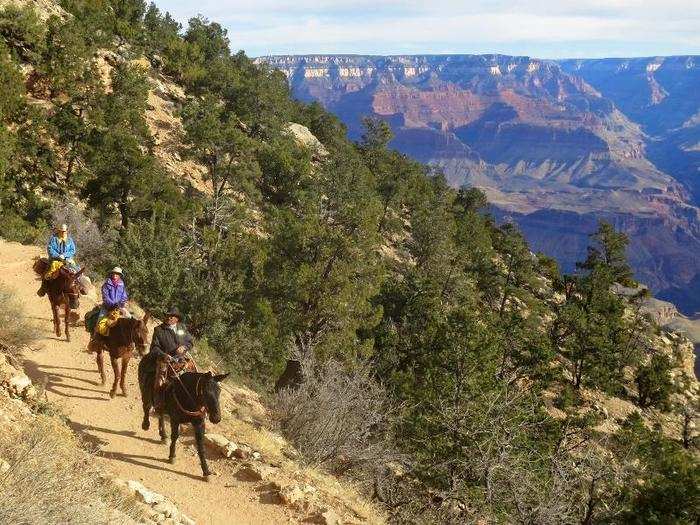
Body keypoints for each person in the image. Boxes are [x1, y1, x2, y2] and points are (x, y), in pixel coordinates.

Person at [144, 306, 194, 407]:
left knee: (194, 375)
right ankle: (157, 402)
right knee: (160, 380)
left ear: (177, 318)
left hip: (181, 358)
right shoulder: (158, 330)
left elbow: (190, 342)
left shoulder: (182, 328)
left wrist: (184, 347)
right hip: (164, 359)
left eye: (172, 316)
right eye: (167, 315)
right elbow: (154, 348)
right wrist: (164, 355)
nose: (169, 317)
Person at [37, 223, 79, 297]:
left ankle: (78, 288)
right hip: (55, 259)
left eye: (64, 231)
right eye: (62, 231)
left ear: (67, 231)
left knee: (75, 270)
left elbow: (72, 250)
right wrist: (58, 256)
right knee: (48, 273)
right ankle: (43, 288)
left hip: (67, 259)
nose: (63, 232)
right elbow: (50, 249)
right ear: (59, 231)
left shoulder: (69, 240)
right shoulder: (54, 239)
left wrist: (65, 255)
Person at [94, 267, 131, 337]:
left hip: (119, 307)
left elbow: (124, 296)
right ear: (111, 274)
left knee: (129, 318)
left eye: (117, 274)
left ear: (120, 275)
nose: (115, 275)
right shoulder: (106, 284)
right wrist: (113, 304)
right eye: (114, 273)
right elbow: (105, 297)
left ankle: (129, 340)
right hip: (107, 306)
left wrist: (120, 303)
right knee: (100, 320)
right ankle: (95, 338)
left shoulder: (122, 285)